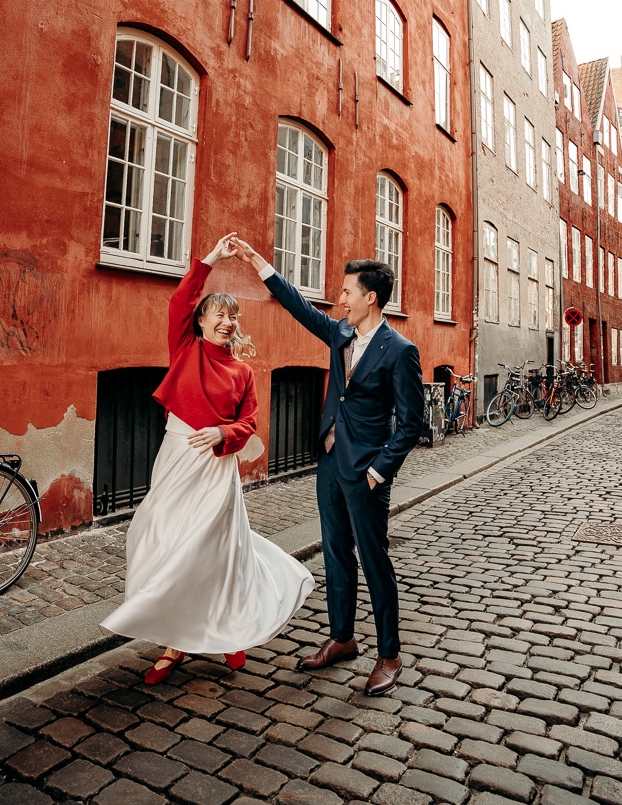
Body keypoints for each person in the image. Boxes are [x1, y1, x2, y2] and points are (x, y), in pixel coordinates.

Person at [101, 234, 314, 683]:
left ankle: (223, 633)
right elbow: (180, 299)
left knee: (213, 549)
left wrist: (222, 432)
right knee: (161, 538)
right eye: (219, 314)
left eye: (232, 316)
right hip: (177, 457)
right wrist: (214, 257)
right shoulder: (185, 349)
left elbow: (250, 424)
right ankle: (179, 638)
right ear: (200, 322)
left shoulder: (242, 372)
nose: (227, 322)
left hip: (216, 467)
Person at [234, 238, 424, 696]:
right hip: (330, 464)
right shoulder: (340, 333)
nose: (339, 299)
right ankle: (342, 638)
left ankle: (390, 655)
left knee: (375, 560)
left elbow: (412, 422)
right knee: (336, 554)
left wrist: (380, 470)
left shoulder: (400, 350)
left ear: (370, 298)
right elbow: (300, 308)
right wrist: (261, 263)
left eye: (346, 292)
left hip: (366, 473)